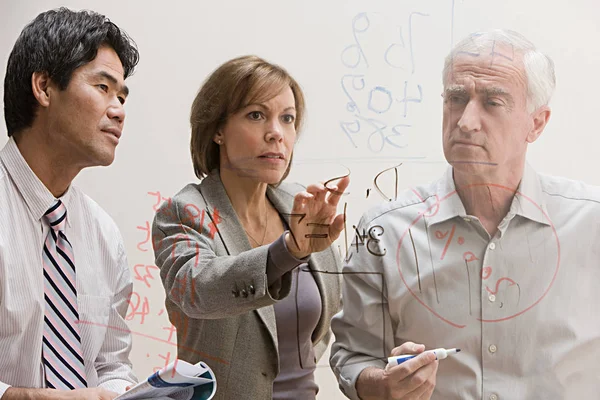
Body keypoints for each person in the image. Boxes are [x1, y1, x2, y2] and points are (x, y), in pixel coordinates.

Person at [330, 29, 600, 400]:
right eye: (457, 98)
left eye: (493, 102)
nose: (466, 121)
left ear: (536, 123)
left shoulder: (591, 224)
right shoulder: (385, 231)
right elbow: (353, 355)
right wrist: (382, 385)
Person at [152, 55, 349, 399]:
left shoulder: (300, 206)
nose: (276, 133)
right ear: (217, 130)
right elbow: (197, 291)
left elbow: (321, 331)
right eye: (256, 115)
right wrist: (286, 252)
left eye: (287, 119)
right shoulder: (185, 212)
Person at [0, 8, 140, 399]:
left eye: (122, 96)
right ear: (44, 87)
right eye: (103, 88)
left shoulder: (103, 234)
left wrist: (119, 393)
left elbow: (112, 363)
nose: (119, 110)